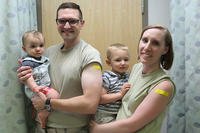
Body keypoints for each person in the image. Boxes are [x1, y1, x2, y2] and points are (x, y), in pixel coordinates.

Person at [17, 2, 102, 133]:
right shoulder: (47, 53)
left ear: (81, 23)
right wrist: (24, 75)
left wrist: (48, 103)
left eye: (72, 21)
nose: (66, 26)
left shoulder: (89, 55)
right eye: (62, 21)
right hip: (40, 126)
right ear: (57, 23)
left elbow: (90, 104)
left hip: (71, 129)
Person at [90, 25, 176, 133]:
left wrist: (96, 129)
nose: (147, 47)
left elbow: (132, 125)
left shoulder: (164, 86)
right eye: (145, 40)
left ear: (165, 49)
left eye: (155, 43)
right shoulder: (136, 68)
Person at [21, 30, 60, 129]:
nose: (38, 49)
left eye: (41, 45)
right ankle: (43, 114)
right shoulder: (28, 62)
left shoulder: (43, 59)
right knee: (55, 96)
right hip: (35, 89)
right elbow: (28, 76)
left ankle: (37, 113)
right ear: (24, 49)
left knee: (45, 102)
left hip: (41, 87)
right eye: (33, 46)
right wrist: (35, 88)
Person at [94, 43, 131, 124]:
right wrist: (120, 94)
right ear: (109, 62)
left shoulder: (128, 76)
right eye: (118, 60)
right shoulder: (106, 77)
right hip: (104, 114)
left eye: (126, 59)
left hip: (119, 113)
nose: (123, 63)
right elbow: (100, 98)